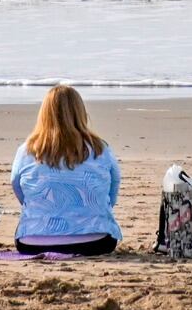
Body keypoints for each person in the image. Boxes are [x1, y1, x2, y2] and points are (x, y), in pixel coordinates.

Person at [10, 85, 122, 256]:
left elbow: (19, 189)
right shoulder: (100, 149)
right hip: (96, 241)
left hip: (32, 241)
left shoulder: (27, 150)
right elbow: (111, 193)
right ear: (81, 113)